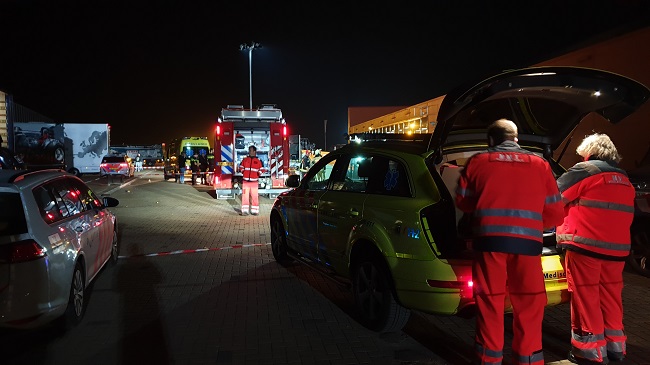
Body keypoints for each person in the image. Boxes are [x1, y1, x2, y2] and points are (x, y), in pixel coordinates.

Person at [455, 119, 564, 365]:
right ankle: (528, 359)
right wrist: (534, 225)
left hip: (489, 244)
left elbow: (463, 202)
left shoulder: (478, 162)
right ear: (516, 139)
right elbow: (556, 213)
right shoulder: (540, 164)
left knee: (490, 301)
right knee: (529, 302)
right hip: (527, 246)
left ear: (491, 140)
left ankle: (488, 358)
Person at [556, 134, 635, 365]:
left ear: (588, 152)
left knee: (586, 298)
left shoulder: (585, 171)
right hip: (617, 251)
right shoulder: (623, 178)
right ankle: (616, 349)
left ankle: (590, 353)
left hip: (585, 247)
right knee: (611, 299)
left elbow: (552, 198)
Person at [238, 145, 265, 215]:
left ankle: (255, 211)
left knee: (255, 196)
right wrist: (243, 172)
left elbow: (262, 169)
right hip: (246, 181)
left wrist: (258, 174)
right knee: (245, 196)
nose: (249, 152)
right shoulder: (245, 159)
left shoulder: (258, 161)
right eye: (249, 150)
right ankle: (244, 211)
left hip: (254, 182)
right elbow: (240, 167)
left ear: (254, 151)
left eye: (251, 150)